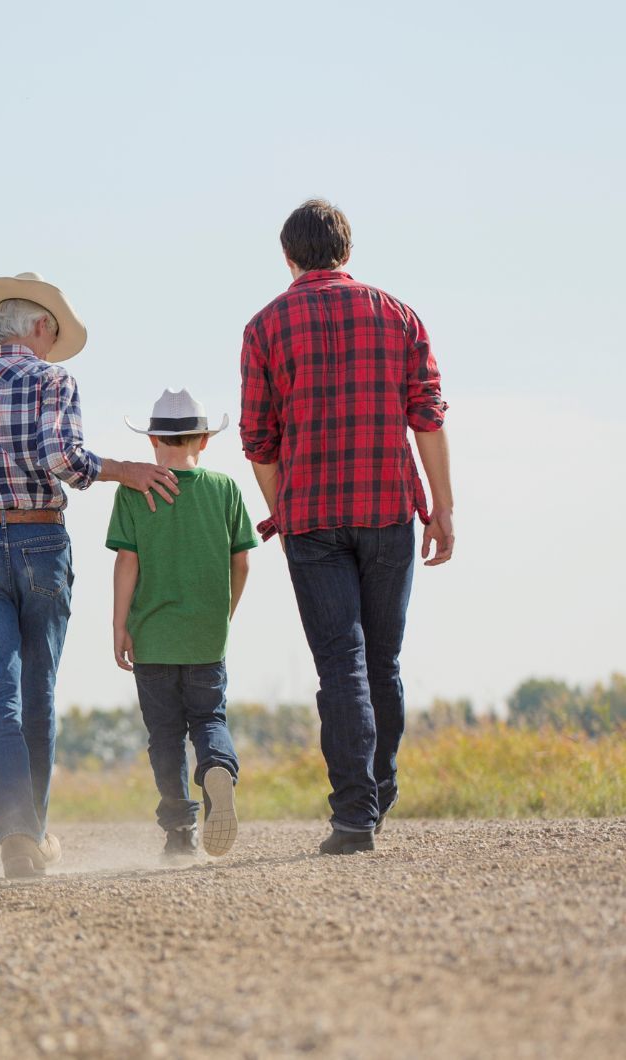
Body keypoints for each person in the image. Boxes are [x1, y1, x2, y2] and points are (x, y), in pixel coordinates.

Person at [0, 272, 180, 879]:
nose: (56, 349)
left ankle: (18, 832)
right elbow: (64, 461)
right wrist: (128, 470)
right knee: (38, 694)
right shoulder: (51, 379)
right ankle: (30, 832)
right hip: (39, 540)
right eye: (54, 336)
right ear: (38, 325)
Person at [240, 200, 455, 855]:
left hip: (313, 519)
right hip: (389, 509)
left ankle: (354, 814)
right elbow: (429, 416)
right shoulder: (398, 314)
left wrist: (285, 510)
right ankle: (378, 793)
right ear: (346, 250)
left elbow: (258, 439)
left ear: (288, 256)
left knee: (342, 666)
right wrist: (442, 508)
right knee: (381, 662)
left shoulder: (264, 326)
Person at [107, 389, 256, 859]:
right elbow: (243, 563)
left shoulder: (134, 489)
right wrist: (222, 616)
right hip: (206, 636)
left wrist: (119, 626)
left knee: (166, 736)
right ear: (205, 441)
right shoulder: (225, 489)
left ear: (154, 440)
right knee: (209, 718)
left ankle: (179, 833)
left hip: (153, 638)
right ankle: (217, 767)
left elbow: (127, 564)